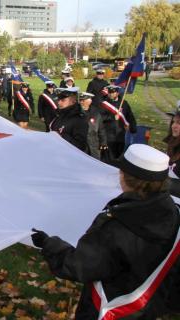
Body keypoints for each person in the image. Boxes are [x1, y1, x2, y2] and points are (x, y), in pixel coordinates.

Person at [31, 144, 180, 319]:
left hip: (109, 308)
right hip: (149, 308)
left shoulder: (116, 228)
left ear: (123, 176)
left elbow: (77, 266)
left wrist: (48, 244)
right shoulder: (175, 213)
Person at [100, 85, 137, 160]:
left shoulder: (124, 103)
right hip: (108, 134)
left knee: (119, 154)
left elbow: (130, 115)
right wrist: (112, 117)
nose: (110, 94)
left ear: (117, 93)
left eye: (113, 92)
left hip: (120, 134)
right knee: (109, 156)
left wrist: (133, 127)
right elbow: (100, 117)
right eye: (109, 92)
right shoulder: (104, 104)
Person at [79, 92, 108, 159]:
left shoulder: (95, 113)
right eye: (80, 100)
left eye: (83, 100)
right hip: (80, 144)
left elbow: (101, 129)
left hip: (94, 144)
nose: (81, 102)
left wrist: (103, 142)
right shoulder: (75, 112)